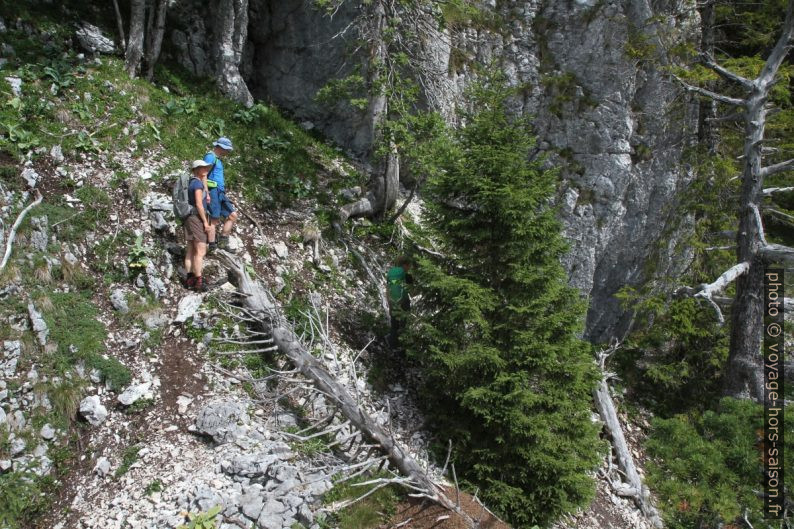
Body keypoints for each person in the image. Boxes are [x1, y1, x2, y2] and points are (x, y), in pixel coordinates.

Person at [204, 137, 239, 251]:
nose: (228, 152)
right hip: (212, 190)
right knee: (214, 218)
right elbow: (203, 174)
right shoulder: (210, 157)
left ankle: (223, 242)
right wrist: (206, 192)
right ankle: (212, 245)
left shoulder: (218, 159)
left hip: (220, 192)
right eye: (227, 149)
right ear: (221, 147)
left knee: (232, 215)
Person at [183, 159, 213, 291]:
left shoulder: (192, 182)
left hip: (188, 218)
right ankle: (199, 282)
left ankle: (189, 279)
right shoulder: (197, 185)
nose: (206, 169)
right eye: (203, 167)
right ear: (197, 169)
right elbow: (199, 204)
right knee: (200, 250)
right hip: (196, 218)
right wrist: (206, 223)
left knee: (190, 249)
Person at [386, 256, 414, 350]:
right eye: (409, 265)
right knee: (403, 325)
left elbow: (388, 289)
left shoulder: (391, 273)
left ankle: (391, 345)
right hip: (404, 302)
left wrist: (390, 305)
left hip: (393, 302)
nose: (409, 267)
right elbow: (412, 292)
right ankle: (401, 347)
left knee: (394, 325)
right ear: (405, 265)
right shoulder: (407, 276)